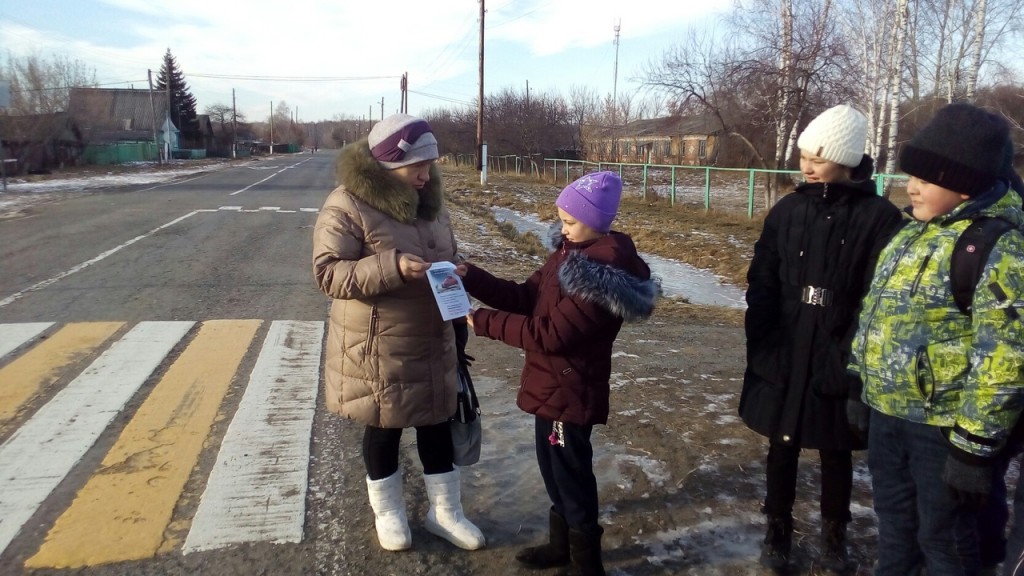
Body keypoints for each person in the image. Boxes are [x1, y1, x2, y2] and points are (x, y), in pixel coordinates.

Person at [848, 102, 1024, 575]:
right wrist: (858, 383)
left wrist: (973, 447)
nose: (911, 186)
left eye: (926, 179)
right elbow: (876, 314)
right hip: (889, 417)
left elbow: (1005, 357)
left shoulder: (998, 246)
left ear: (965, 184)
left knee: (945, 543)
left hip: (942, 431)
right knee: (895, 530)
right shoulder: (910, 232)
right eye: (911, 175)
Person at [456, 171, 658, 576]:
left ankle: (586, 564)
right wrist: (472, 277)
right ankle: (560, 545)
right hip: (551, 385)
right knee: (553, 469)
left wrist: (483, 322)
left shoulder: (599, 276)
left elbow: (549, 333)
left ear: (596, 222)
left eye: (570, 221)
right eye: (562, 220)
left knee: (571, 475)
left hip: (571, 388)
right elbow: (525, 297)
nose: (562, 229)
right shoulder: (569, 253)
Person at [739, 104, 904, 572]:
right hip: (787, 340)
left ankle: (835, 530)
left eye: (818, 158)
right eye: (803, 156)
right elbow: (762, 277)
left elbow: (877, 296)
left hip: (838, 343)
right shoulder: (788, 210)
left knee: (836, 448)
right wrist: (762, 337)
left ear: (847, 160)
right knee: (782, 443)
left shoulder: (879, 217)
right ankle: (777, 525)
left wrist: (852, 352)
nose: (807, 167)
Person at [312, 113, 485, 552]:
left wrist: (455, 271)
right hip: (379, 344)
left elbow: (445, 250)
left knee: (437, 423)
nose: (426, 175)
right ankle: (388, 514)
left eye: (429, 165)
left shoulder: (431, 202)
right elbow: (329, 274)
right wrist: (392, 266)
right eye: (416, 167)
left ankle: (445, 513)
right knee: (384, 425)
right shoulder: (347, 204)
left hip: (434, 335)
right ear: (389, 164)